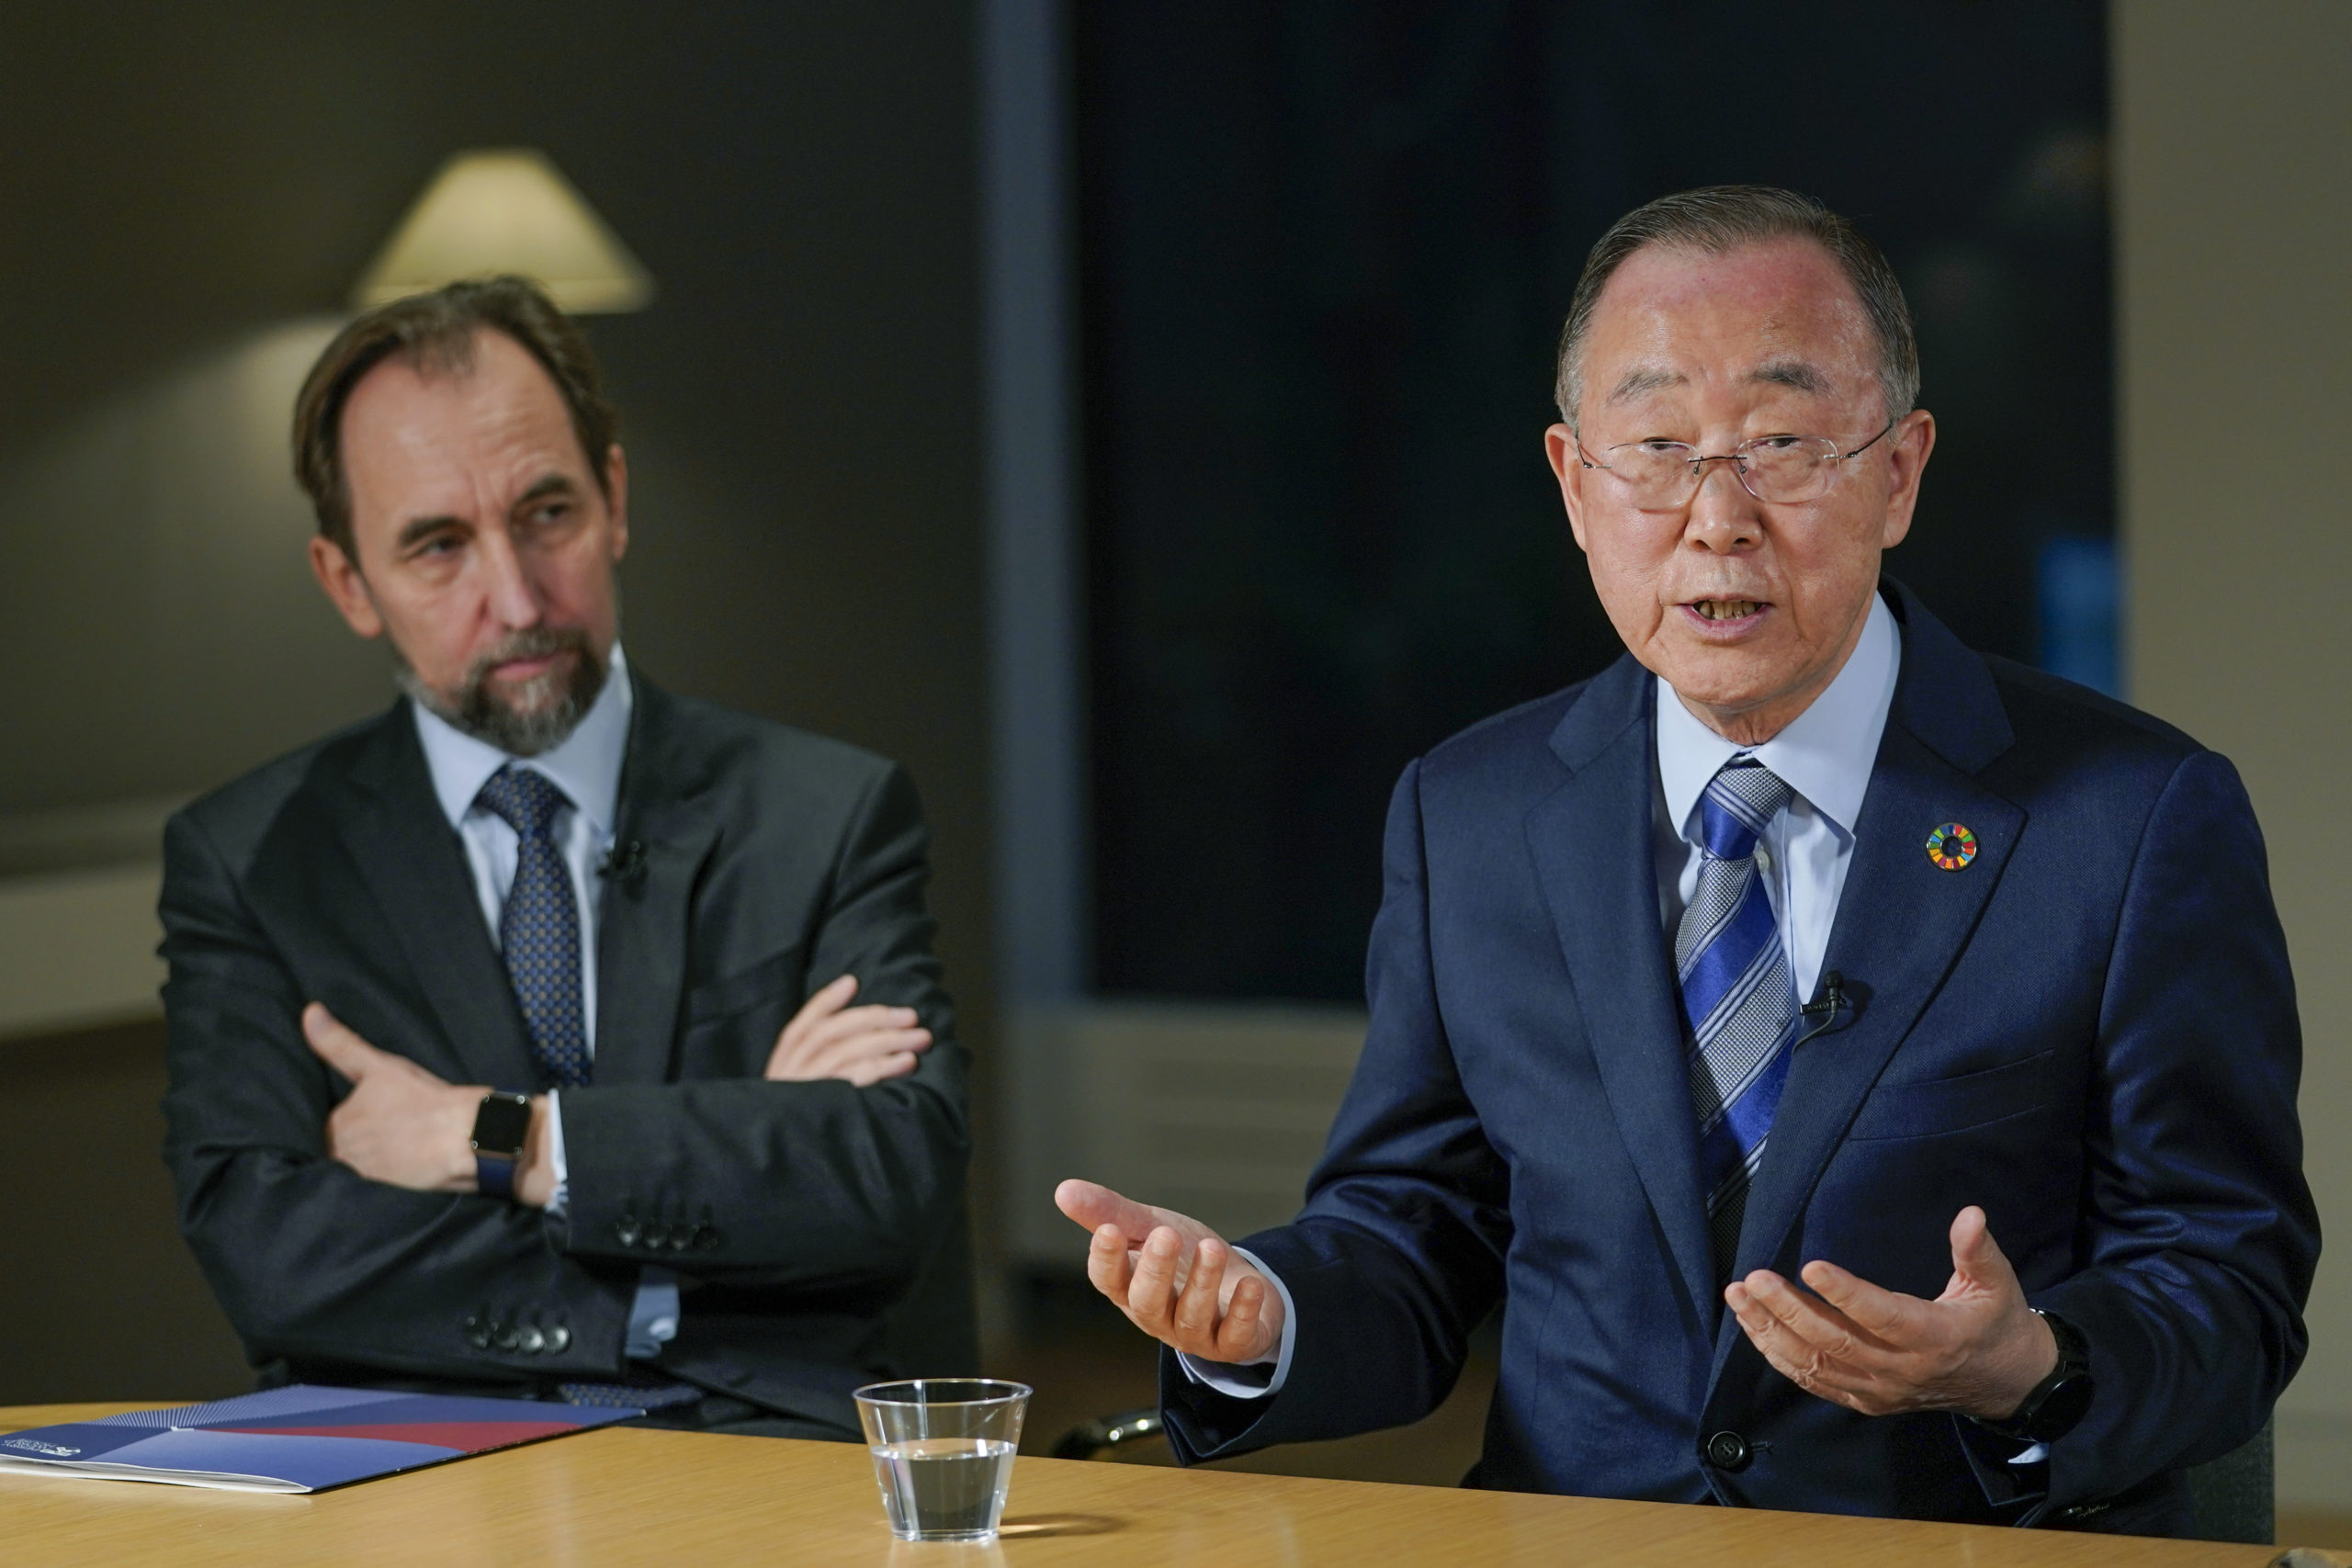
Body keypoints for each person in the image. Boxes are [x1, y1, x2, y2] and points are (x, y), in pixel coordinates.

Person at [1056, 186, 2317, 1531]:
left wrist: (2034, 1370)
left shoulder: (2128, 815)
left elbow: (2227, 1273)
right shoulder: (1470, 811)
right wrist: (1266, 1310)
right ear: (1573, 484)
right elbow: (1417, 1225)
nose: (1718, 519)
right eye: (1656, 446)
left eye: (1782, 442)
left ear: (1900, 472)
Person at [162, 276, 972, 1439]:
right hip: (415, 1484)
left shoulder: (826, 812)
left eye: (546, 515)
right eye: (439, 546)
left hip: (763, 1475)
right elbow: (275, 1255)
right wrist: (710, 1203)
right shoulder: (252, 859)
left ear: (616, 499)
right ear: (348, 584)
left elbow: (884, 1180)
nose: (517, 596)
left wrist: (497, 1140)